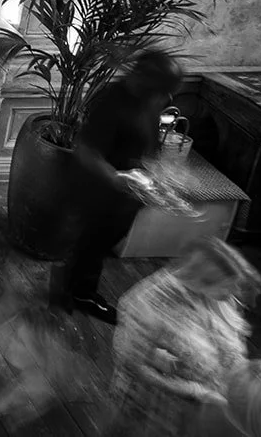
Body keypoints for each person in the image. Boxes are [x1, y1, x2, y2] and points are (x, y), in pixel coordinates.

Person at [58, 48, 185, 323]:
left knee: (100, 244)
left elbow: (145, 140)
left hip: (125, 191)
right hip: (100, 190)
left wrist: (157, 173)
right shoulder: (111, 101)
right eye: (162, 91)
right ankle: (78, 295)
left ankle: (73, 288)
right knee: (92, 245)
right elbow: (86, 150)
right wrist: (117, 179)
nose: (165, 98)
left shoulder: (147, 99)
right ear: (145, 81)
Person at [109, 237, 261, 436]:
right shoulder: (144, 306)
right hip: (153, 409)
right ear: (201, 279)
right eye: (228, 288)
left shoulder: (217, 297)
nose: (233, 294)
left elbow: (225, 340)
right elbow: (130, 364)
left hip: (208, 405)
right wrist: (195, 391)